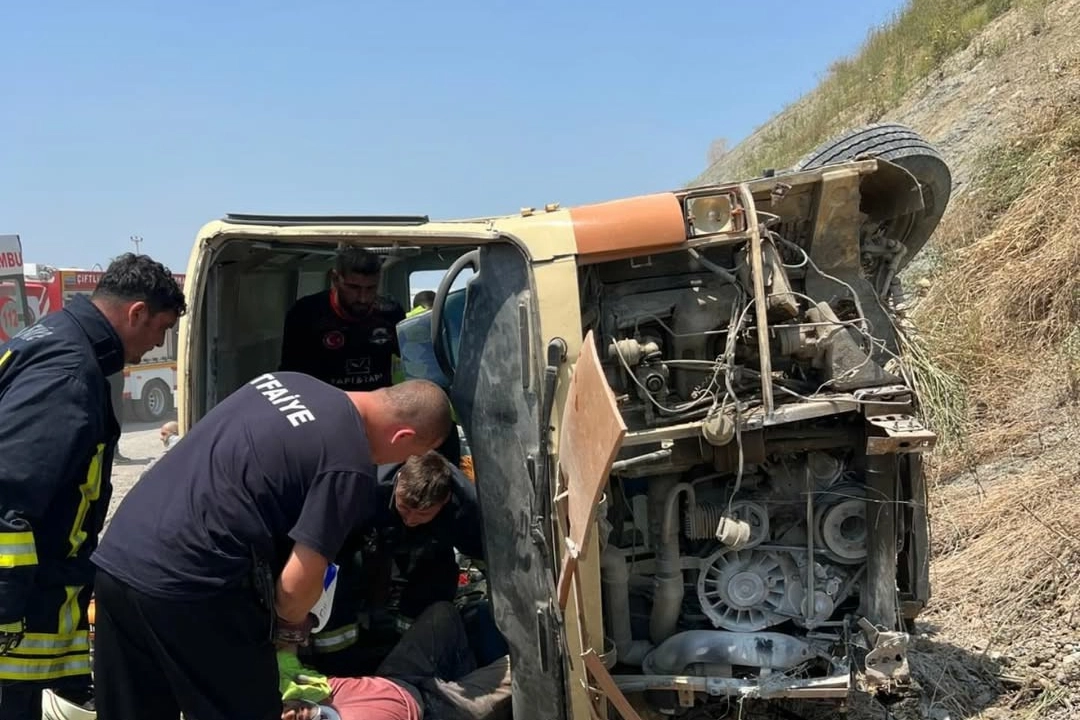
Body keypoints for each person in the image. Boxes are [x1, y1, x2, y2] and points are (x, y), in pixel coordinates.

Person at [89, 372, 453, 720]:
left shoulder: (284, 382)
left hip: (120, 557)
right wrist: (289, 636)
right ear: (403, 436)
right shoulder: (349, 460)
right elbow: (294, 591)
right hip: (193, 584)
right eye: (412, 452)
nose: (398, 463)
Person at [0, 253, 185, 720]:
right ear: (136, 312)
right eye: (161, 329)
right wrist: (4, 611)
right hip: (19, 612)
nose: (158, 344)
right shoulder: (68, 373)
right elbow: (8, 494)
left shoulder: (51, 338)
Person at [305, 453, 491, 678]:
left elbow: (486, 559)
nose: (410, 519)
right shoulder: (364, 485)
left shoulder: (465, 507)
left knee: (433, 584)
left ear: (445, 501)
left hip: (431, 544)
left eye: (422, 513)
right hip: (362, 532)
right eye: (406, 507)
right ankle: (337, 670)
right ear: (399, 481)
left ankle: (411, 663)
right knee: (337, 586)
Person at [279, 601, 512, 720]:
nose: (287, 715)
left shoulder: (290, 687)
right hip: (435, 712)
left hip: (396, 680)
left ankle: (464, 672)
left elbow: (287, 648)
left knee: (442, 613)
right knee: (519, 672)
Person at [279, 246, 406, 392]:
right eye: (354, 287)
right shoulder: (306, 313)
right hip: (324, 400)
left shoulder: (391, 313)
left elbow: (412, 362)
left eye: (371, 288)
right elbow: (290, 375)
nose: (363, 298)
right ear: (335, 279)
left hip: (375, 401)